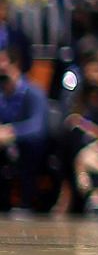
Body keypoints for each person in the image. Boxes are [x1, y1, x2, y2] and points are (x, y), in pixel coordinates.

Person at [0, 48, 50, 214]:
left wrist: (11, 132)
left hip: (29, 148)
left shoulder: (34, 93)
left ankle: (26, 202)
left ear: (16, 65)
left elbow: (38, 127)